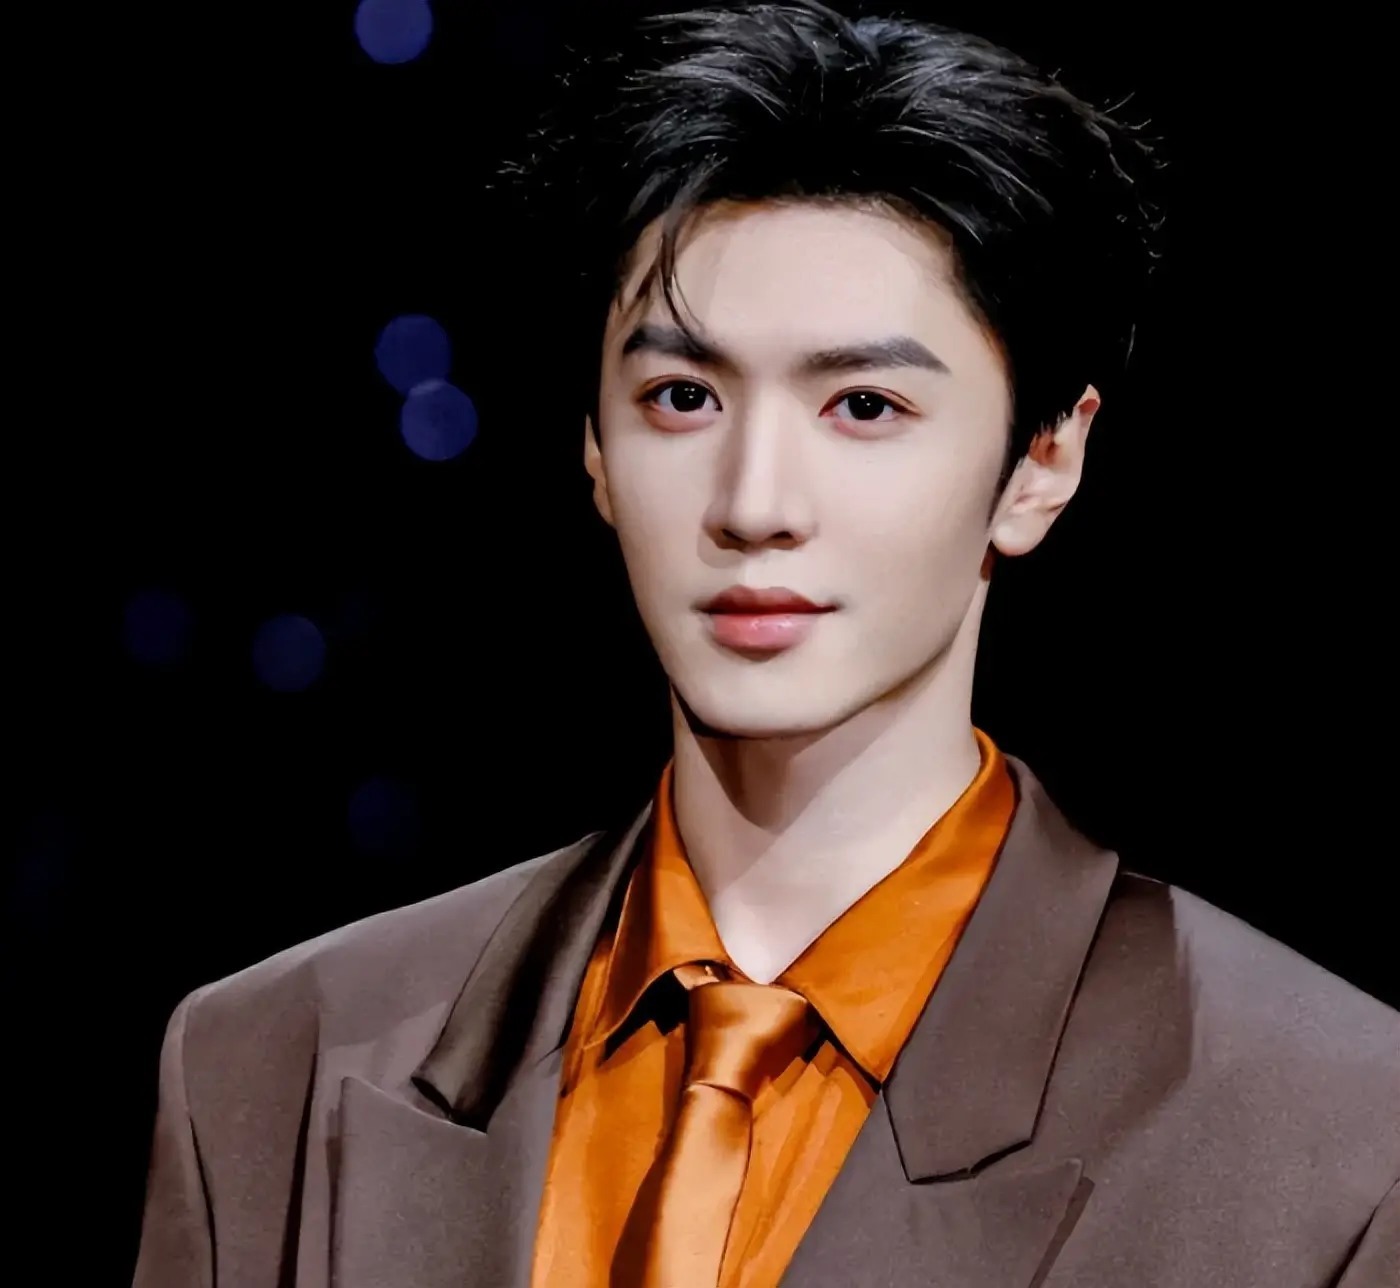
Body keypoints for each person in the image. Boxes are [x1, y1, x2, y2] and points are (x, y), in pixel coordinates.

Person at [133, 3, 1398, 1285]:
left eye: (864, 405)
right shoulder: (271, 1065)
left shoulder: (1334, 1139)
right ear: (593, 445)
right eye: (681, 397)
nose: (752, 503)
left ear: (1040, 460)